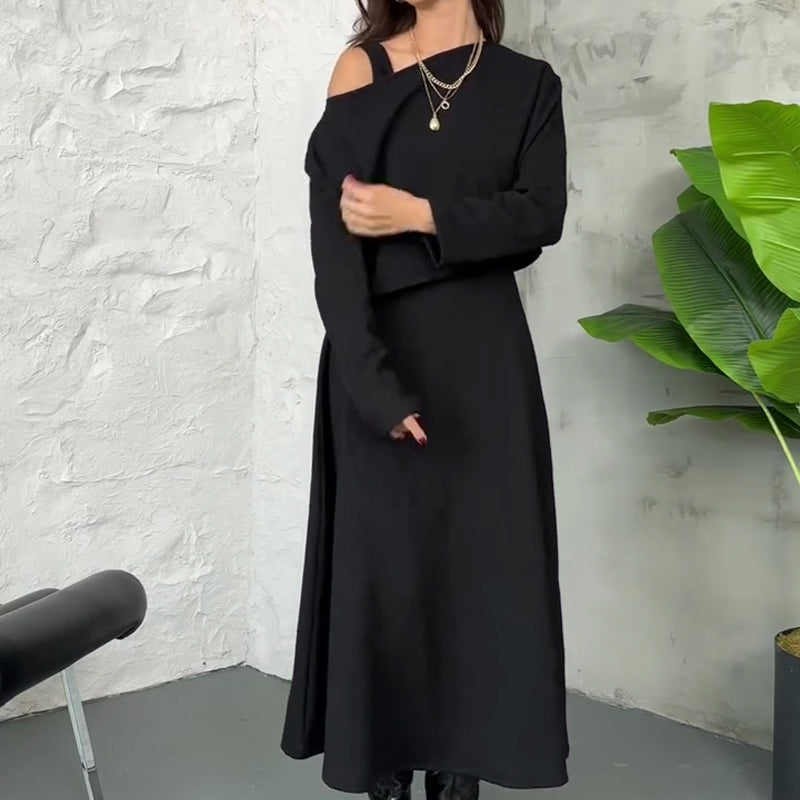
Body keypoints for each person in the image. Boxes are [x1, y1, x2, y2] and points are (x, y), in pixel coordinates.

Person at [280, 1, 569, 798]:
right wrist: (373, 387)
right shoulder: (361, 71)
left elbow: (539, 216)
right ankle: (385, 780)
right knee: (388, 580)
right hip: (383, 361)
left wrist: (418, 214)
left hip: (487, 371)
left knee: (479, 578)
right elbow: (336, 254)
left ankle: (458, 779)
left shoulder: (530, 86)